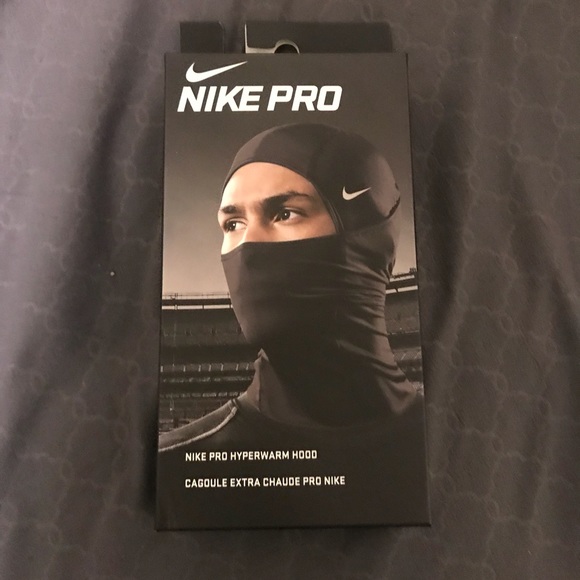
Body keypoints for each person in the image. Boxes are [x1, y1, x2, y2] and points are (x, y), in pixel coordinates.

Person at [156, 123, 429, 529]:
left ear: (369, 238)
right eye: (233, 224)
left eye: (285, 213)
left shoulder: (450, 449)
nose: (248, 246)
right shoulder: (174, 472)